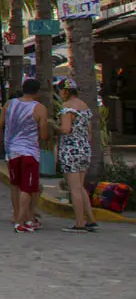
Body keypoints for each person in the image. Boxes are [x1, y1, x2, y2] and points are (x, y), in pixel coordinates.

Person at [0, 77, 50, 233]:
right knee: (28, 187)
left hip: (12, 151)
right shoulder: (39, 108)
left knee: (15, 185)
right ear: (37, 92)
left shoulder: (9, 104)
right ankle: (23, 220)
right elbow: (44, 134)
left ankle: (17, 214)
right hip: (29, 152)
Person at [53, 79, 98, 233]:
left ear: (65, 91)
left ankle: (80, 222)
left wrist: (54, 126)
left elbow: (65, 129)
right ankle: (91, 219)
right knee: (80, 186)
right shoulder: (84, 107)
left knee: (74, 188)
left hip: (71, 149)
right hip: (84, 148)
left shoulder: (67, 108)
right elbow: (90, 131)